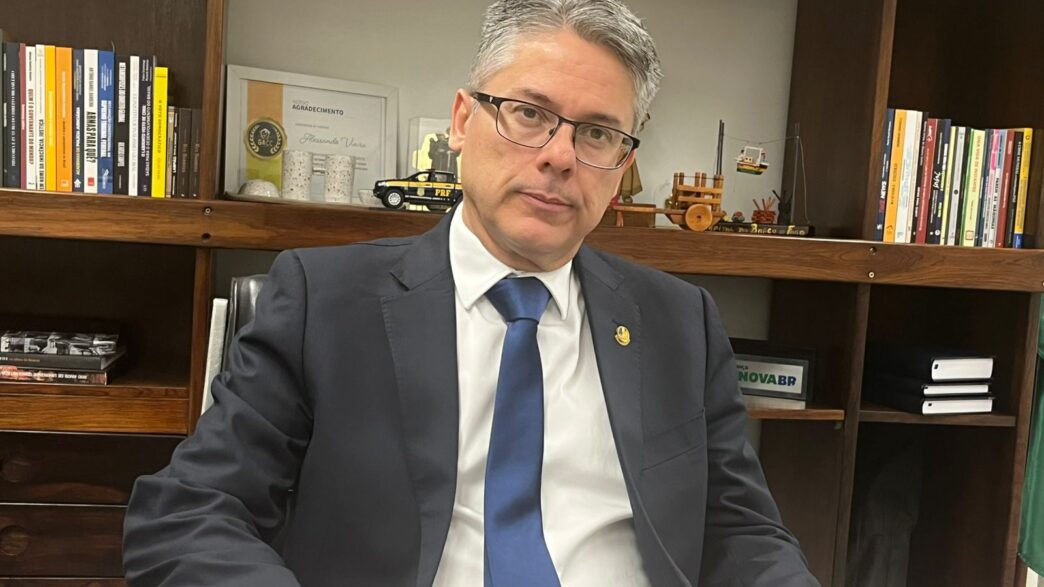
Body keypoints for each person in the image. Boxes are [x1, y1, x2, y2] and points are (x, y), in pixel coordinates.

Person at [123, 1, 819, 585]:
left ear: (622, 167)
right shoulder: (324, 301)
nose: (558, 155)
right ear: (463, 121)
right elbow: (189, 511)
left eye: (598, 133)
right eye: (528, 113)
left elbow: (742, 532)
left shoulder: (681, 322)